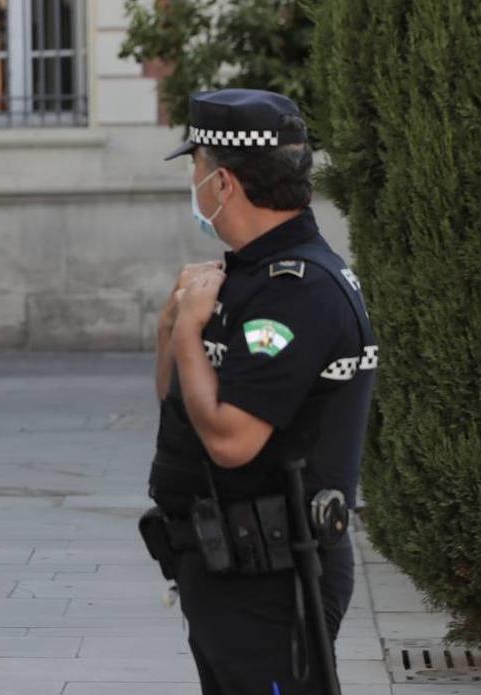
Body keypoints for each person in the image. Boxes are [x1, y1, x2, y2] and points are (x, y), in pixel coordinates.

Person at [144, 89, 378, 695]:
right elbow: (176, 396)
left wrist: (191, 330)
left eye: (195, 166)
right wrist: (172, 324)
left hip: (273, 578)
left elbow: (230, 439)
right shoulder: (244, 276)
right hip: (225, 566)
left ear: (222, 184)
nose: (192, 181)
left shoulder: (298, 290)